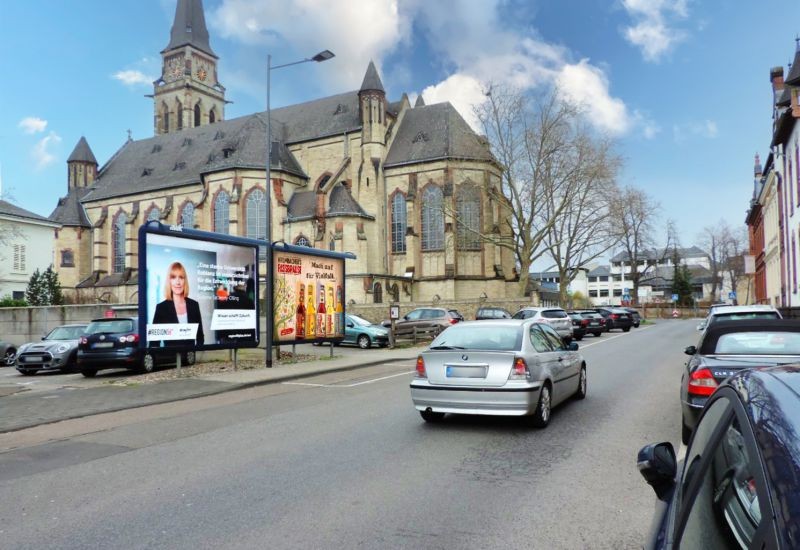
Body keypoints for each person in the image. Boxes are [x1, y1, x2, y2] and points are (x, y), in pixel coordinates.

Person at [152, 261, 204, 346]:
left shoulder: (194, 305)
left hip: (189, 357)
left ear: (185, 280)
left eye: (181, 277)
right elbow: (154, 341)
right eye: (173, 277)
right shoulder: (161, 307)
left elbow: (200, 336)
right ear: (169, 281)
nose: (178, 282)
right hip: (169, 358)